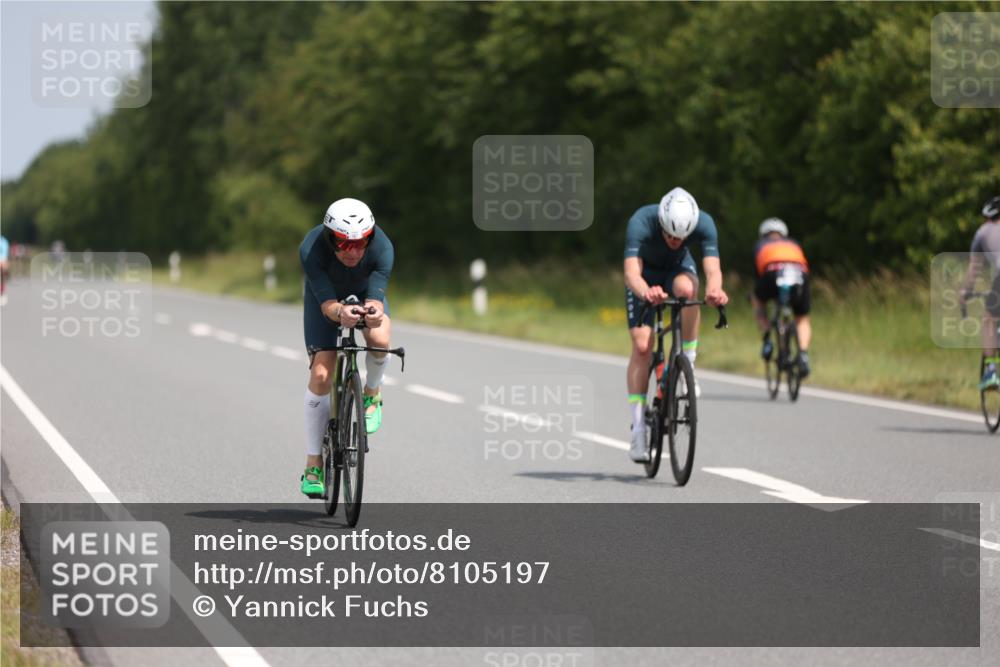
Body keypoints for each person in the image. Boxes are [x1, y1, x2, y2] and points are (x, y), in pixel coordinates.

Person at [624, 187, 729, 463]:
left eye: (680, 237)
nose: (674, 240)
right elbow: (631, 273)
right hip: (644, 276)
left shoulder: (704, 223)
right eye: (670, 235)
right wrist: (647, 292)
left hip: (677, 270)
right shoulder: (641, 221)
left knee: (689, 292)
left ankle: (687, 363)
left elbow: (713, 270)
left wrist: (715, 291)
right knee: (642, 346)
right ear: (661, 222)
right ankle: (638, 429)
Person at [298, 198, 394, 496]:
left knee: (380, 340)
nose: (353, 251)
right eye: (343, 243)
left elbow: (376, 300)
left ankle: (372, 393)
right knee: (321, 375)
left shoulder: (383, 248)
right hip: (325, 300)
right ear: (330, 238)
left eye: (361, 242)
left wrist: (373, 313)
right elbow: (327, 305)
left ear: (370, 237)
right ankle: (313, 463)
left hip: (363, 294)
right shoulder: (311, 248)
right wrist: (340, 312)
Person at [750, 217, 812, 376]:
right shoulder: (793, 244)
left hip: (772, 273)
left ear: (763, 234)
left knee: (757, 298)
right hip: (800, 275)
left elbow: (758, 275)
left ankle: (767, 339)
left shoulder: (761, 245)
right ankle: (803, 354)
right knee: (802, 318)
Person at [960, 195, 1000, 389]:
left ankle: (991, 371)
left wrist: (965, 291)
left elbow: (974, 268)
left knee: (988, 320)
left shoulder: (984, 231)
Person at [0, 235, 9, 306]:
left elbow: (4, 255)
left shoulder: (3, 242)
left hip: (2, 261)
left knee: (3, 276)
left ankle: (2, 293)